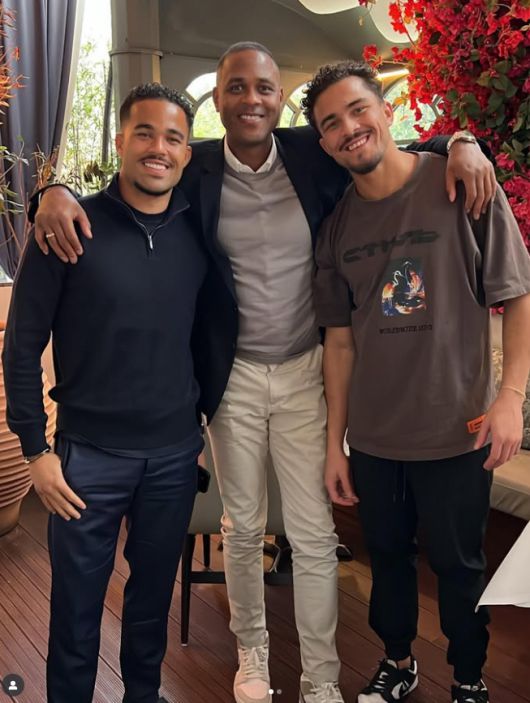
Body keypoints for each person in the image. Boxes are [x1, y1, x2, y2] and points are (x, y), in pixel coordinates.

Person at [30, 43, 496, 703]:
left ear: (280, 100)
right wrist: (49, 192)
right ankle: (252, 656)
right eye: (236, 88)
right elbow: (129, 179)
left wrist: (463, 142)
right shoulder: (194, 165)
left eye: (264, 88)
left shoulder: (313, 150)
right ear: (218, 103)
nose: (251, 99)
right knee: (242, 527)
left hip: (309, 368)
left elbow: (392, 143)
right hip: (234, 379)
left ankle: (320, 677)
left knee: (313, 533)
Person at [303, 60, 530, 703]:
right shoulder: (336, 229)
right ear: (323, 142)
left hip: (458, 430)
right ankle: (398, 662)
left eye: (358, 109)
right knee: (387, 559)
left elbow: (518, 295)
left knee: (459, 567)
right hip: (376, 440)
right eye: (331, 123)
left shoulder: (461, 181)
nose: (349, 128)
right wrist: (335, 444)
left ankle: (468, 677)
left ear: (385, 109)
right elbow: (339, 343)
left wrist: (511, 398)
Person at [2, 83, 210, 703]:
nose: (158, 147)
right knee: (75, 613)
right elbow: (20, 345)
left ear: (187, 152)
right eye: (144, 132)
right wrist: (36, 451)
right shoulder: (68, 227)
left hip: (173, 457)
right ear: (120, 141)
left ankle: (142, 695)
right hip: (85, 460)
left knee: (150, 607)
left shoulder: (201, 230)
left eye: (173, 137)